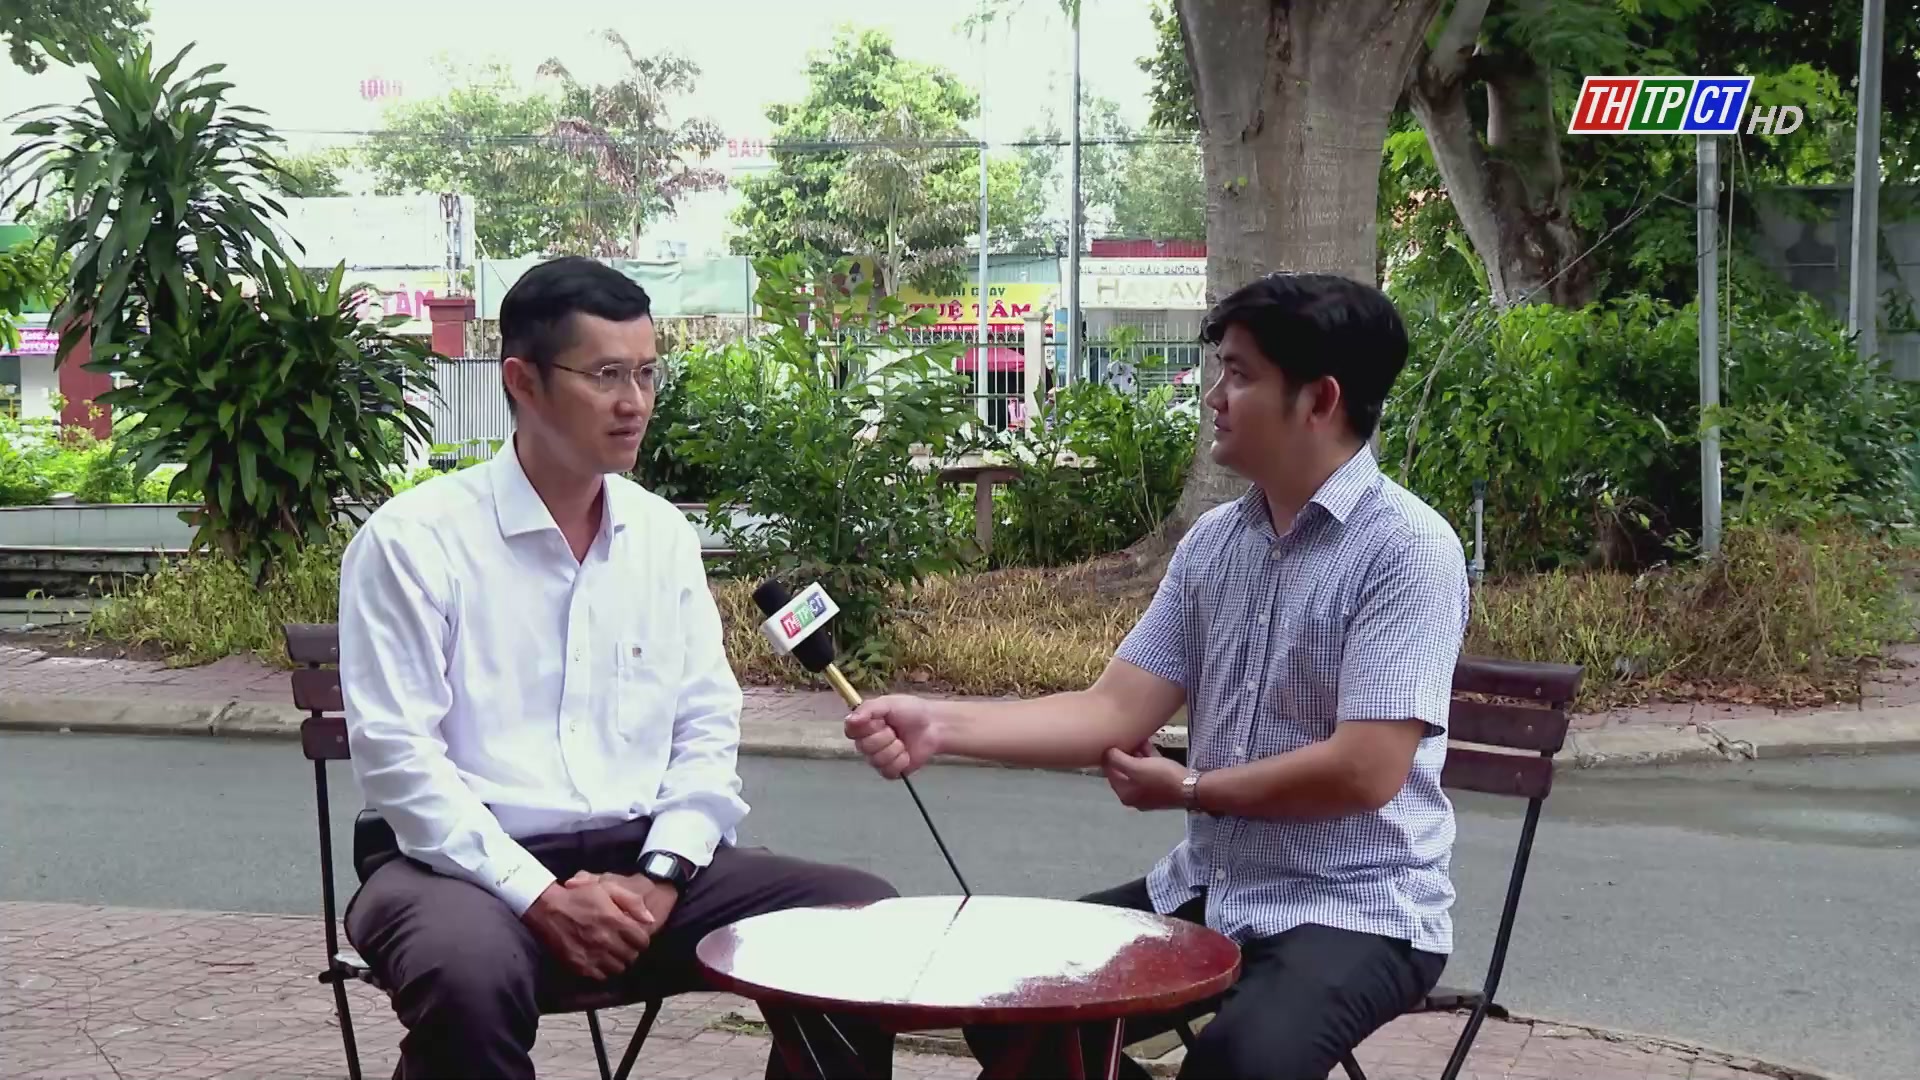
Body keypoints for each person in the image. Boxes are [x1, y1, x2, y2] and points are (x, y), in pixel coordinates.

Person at [844, 272, 1470, 1080]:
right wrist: (937, 723)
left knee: (1239, 1065)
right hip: (1212, 887)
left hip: (1359, 906)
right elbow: (1112, 709)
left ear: (1319, 400)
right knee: (1015, 1008)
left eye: (1239, 375)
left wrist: (1190, 789)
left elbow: (1366, 769)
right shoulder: (1215, 544)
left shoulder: (1407, 550)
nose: (1214, 397)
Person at [338, 255, 898, 1080]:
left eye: (646, 373)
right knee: (468, 973)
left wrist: (662, 875)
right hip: (456, 869)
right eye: (605, 375)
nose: (634, 402)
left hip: (645, 863)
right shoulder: (414, 542)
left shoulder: (661, 536)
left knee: (862, 920)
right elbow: (398, 761)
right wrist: (539, 895)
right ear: (523, 381)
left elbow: (706, 727)